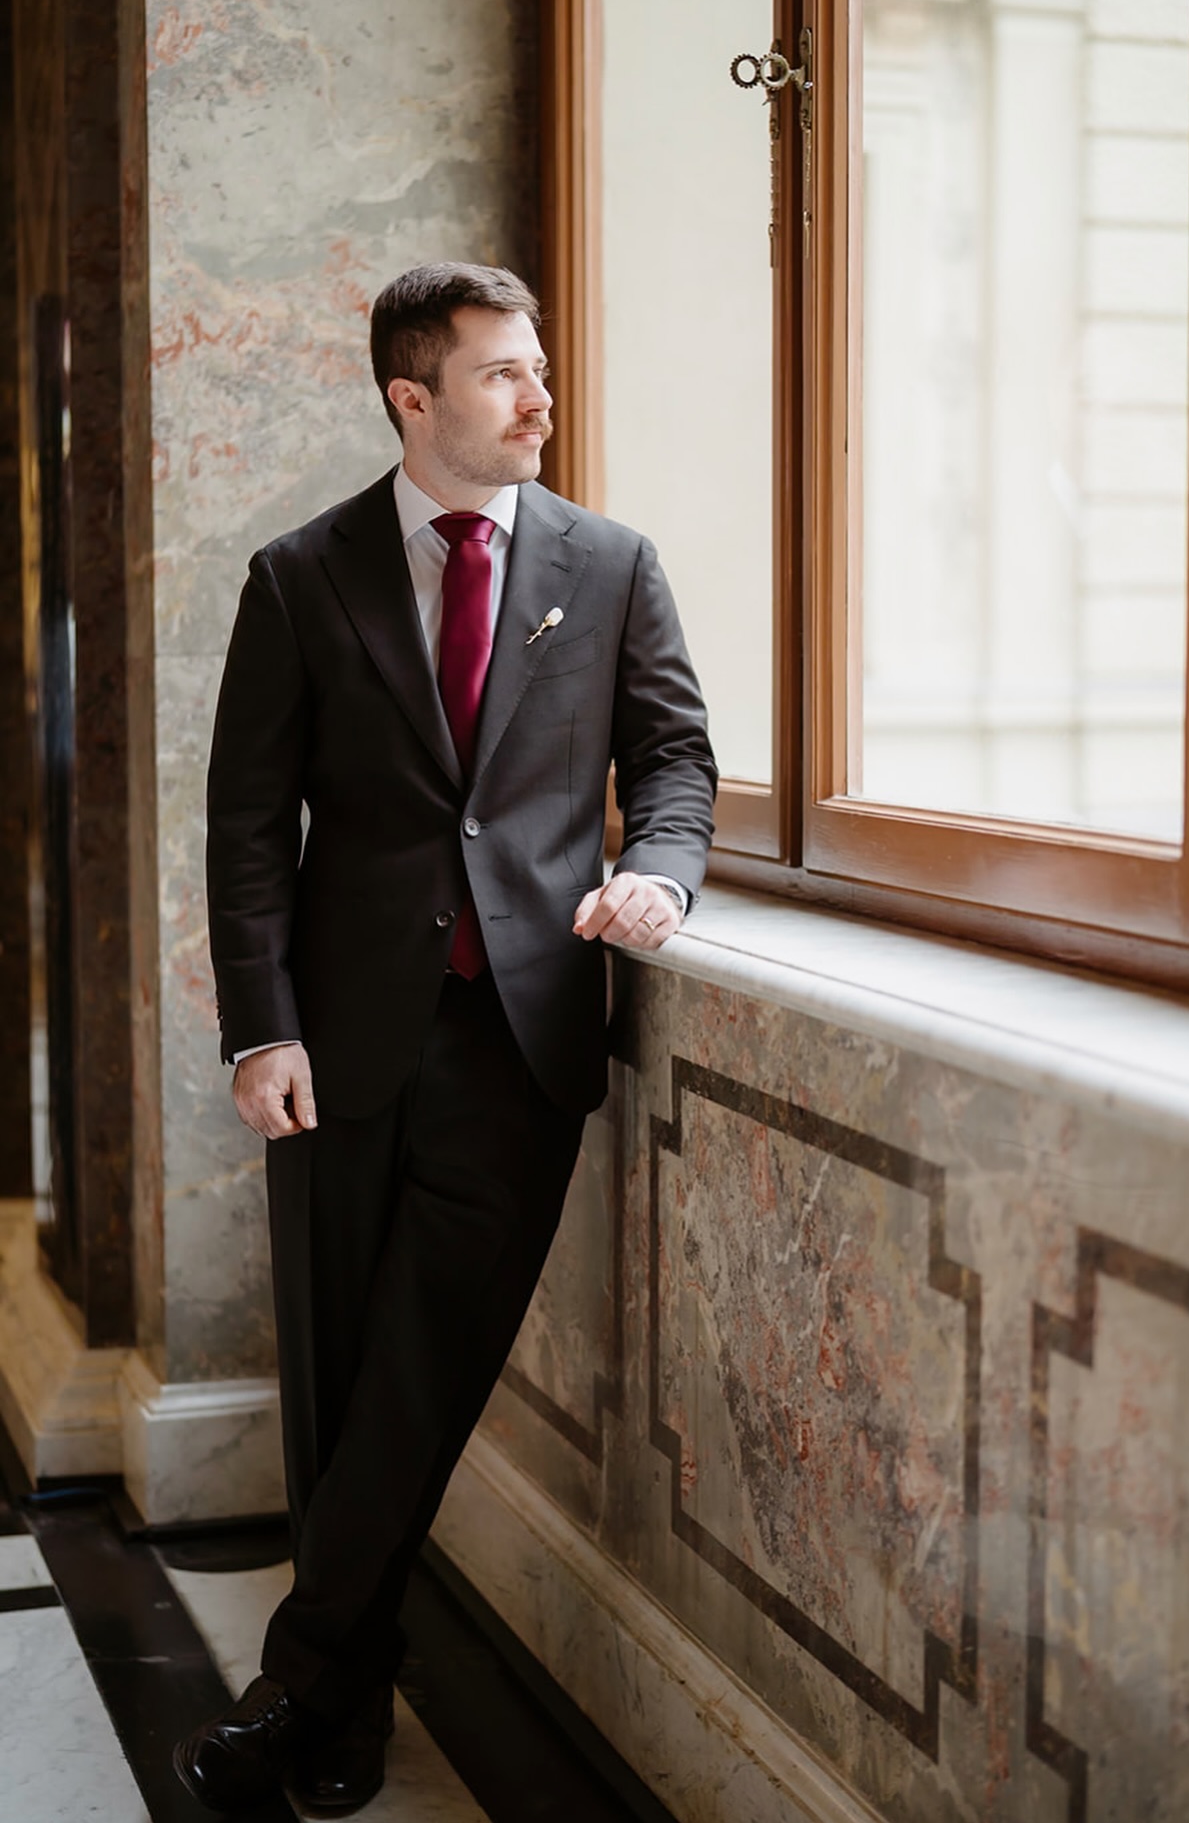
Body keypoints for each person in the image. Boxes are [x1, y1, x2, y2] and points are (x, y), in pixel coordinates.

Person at [175, 262, 716, 1814]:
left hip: (520, 1039)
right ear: (413, 398)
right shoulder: (301, 574)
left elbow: (675, 755)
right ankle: (340, 1719)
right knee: (343, 1371)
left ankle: (290, 1679)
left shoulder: (612, 564)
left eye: (536, 369)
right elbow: (246, 828)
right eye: (501, 375)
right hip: (335, 1047)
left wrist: (658, 875)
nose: (538, 398)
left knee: (422, 1360)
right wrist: (258, 1027)